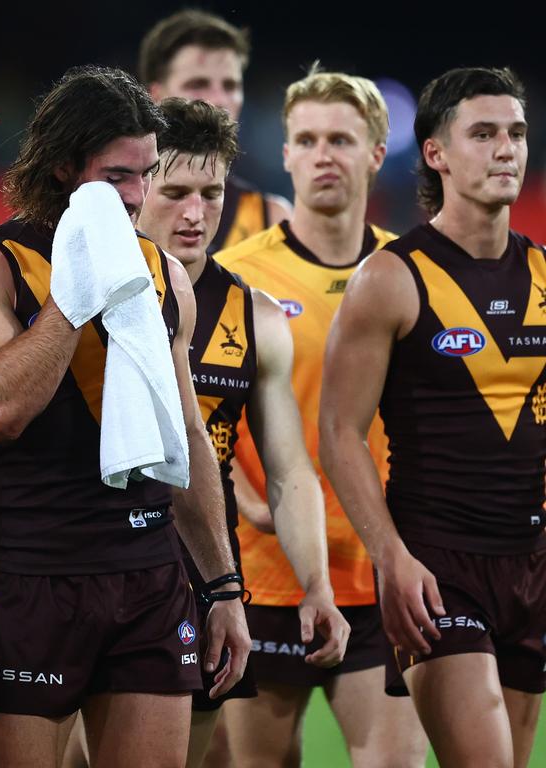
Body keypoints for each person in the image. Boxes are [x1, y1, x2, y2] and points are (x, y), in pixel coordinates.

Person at [0, 64, 250, 768]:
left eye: (146, 173)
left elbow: (185, 439)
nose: (139, 196)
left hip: (148, 575)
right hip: (33, 577)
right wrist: (71, 299)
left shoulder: (163, 274)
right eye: (117, 177)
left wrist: (224, 585)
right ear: (62, 169)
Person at [321, 66, 544, 768]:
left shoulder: (545, 274)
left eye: (516, 133)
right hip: (437, 568)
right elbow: (339, 431)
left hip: (530, 565)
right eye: (483, 133)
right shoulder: (390, 278)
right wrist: (390, 557)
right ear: (436, 154)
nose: (506, 149)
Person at [214, 69, 428, 767]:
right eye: (306, 140)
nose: (322, 154)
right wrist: (244, 501)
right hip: (265, 575)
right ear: (285, 156)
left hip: (384, 571)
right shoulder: (233, 278)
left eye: (341, 138)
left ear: (376, 151)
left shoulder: (411, 274)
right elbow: (200, 418)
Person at [136, 96, 348, 768]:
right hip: (85, 559)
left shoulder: (254, 318)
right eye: (174, 192)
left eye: (212, 192)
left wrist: (316, 584)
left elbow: (288, 470)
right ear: (136, 186)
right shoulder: (78, 297)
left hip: (200, 576)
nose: (196, 214)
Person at [138, 9, 291, 255]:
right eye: (198, 84)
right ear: (154, 96)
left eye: (230, 86)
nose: (218, 100)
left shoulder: (269, 220)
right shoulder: (118, 210)